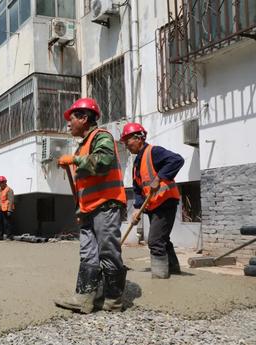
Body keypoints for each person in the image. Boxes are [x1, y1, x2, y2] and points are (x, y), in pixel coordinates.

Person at [55, 97, 128, 313]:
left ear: (85, 118)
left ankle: (113, 300)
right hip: (88, 209)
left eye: (72, 119)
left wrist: (74, 161)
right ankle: (84, 299)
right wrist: (80, 209)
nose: (68, 124)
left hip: (106, 205)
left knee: (108, 251)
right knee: (88, 253)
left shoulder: (101, 136)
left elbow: (104, 162)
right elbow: (84, 185)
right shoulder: (82, 147)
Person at [121, 122, 184, 279]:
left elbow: (177, 160)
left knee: (155, 241)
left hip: (165, 201)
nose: (126, 145)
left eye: (128, 141)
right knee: (162, 239)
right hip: (152, 205)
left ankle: (160, 277)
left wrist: (160, 177)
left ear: (139, 138)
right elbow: (137, 189)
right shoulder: (137, 163)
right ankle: (173, 269)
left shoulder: (154, 152)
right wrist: (137, 209)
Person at [0, 175, 15, 240]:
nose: (0, 184)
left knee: (7, 224)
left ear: (5, 182)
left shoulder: (9, 190)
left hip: (7, 210)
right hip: (0, 209)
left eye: (2, 182)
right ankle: (0, 236)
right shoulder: (0, 190)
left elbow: (11, 200)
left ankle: (9, 236)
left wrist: (9, 210)